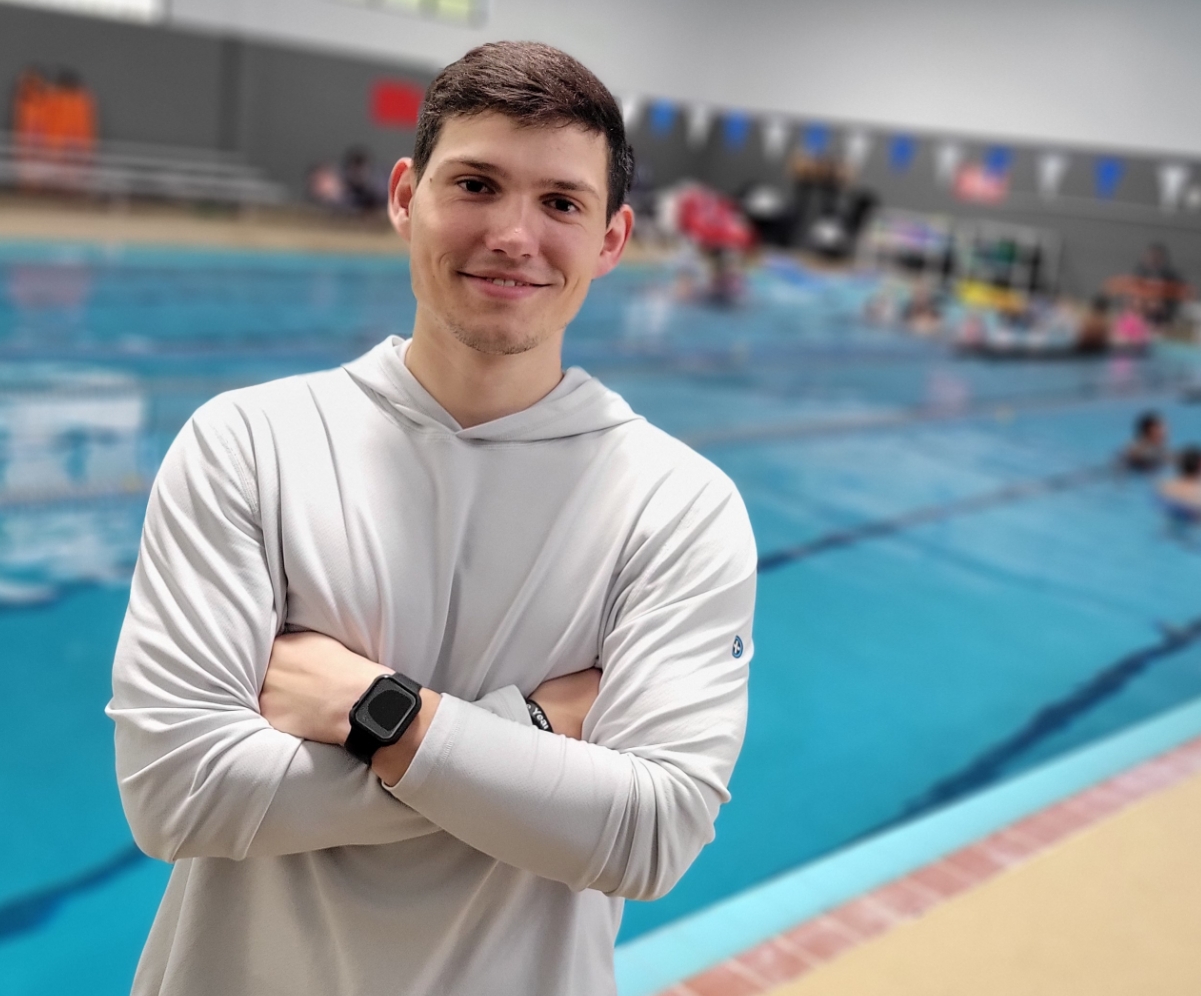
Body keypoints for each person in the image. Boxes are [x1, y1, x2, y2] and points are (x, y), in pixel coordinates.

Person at [108, 42, 757, 996]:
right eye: (477, 184)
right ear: (406, 195)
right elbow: (179, 793)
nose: (512, 234)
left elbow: (650, 837)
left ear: (612, 240)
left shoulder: (678, 507)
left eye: (561, 203)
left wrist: (378, 716)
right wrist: (533, 729)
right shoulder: (251, 442)